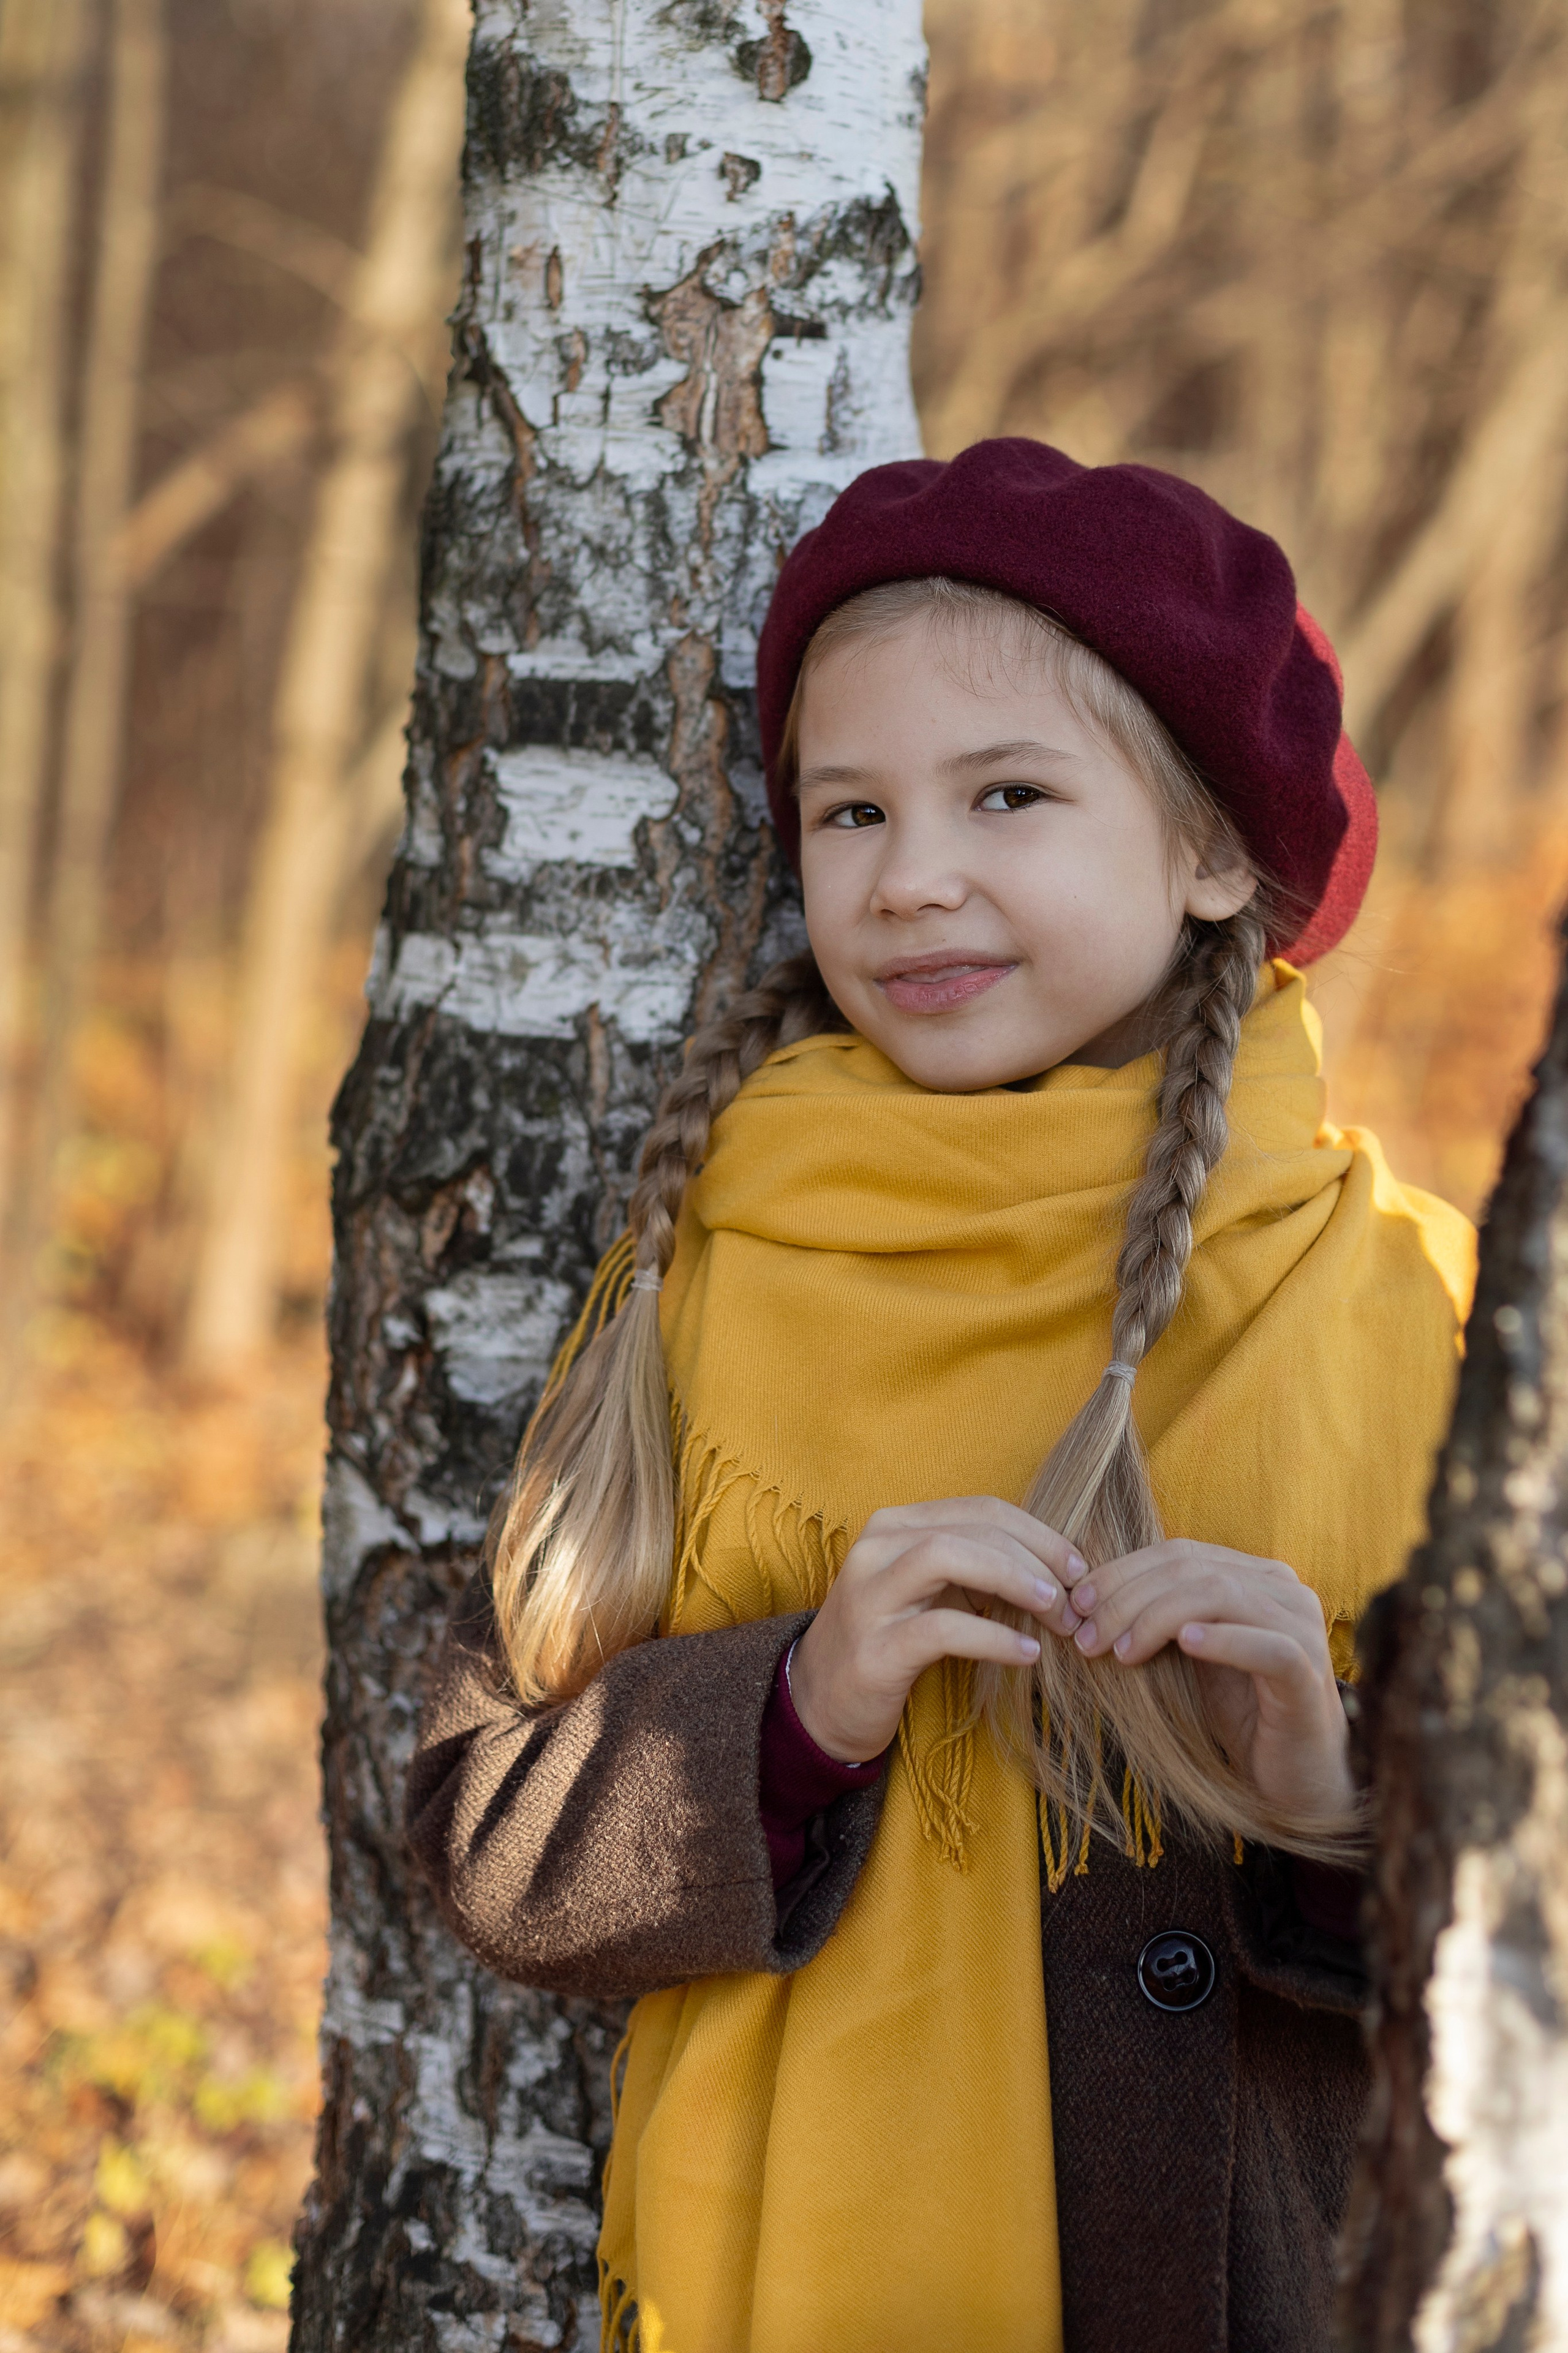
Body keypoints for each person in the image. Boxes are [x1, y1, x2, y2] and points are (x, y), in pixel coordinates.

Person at [405, 440, 1475, 2353]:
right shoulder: (710, 1267)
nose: (912, 879)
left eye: (1008, 794)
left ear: (1216, 846)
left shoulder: (1426, 1309)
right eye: (847, 812)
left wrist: (1333, 1798)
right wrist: (796, 1712)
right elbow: (490, 1832)